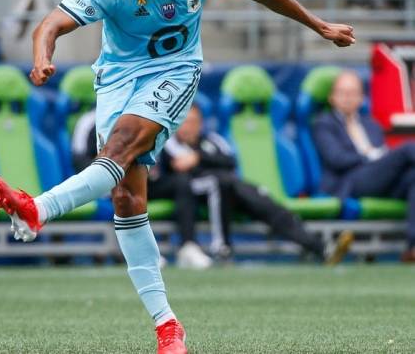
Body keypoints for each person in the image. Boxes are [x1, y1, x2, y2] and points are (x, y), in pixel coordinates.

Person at [0, 0, 355, 352]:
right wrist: (43, 56)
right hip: (117, 77)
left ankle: (38, 209)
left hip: (174, 70)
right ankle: (167, 326)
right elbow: (50, 24)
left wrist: (319, 26)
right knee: (126, 197)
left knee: (121, 148)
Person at [150, 105, 353, 268]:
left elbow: (229, 161)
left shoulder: (212, 141)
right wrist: (201, 161)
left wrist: (199, 157)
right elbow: (179, 165)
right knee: (219, 182)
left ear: (201, 124)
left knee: (266, 203)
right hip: (202, 190)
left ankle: (321, 247)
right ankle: (222, 248)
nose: (188, 127)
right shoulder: (168, 142)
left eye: (193, 122)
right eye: (184, 121)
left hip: (230, 190)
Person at [313, 70, 415, 262]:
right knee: (409, 148)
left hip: (381, 179)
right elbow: (337, 159)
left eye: (352, 93)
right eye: (342, 92)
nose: (347, 98)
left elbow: (383, 156)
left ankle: (413, 247)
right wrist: (369, 155)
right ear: (332, 97)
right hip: (352, 181)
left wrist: (378, 157)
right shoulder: (323, 124)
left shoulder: (371, 125)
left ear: (362, 98)